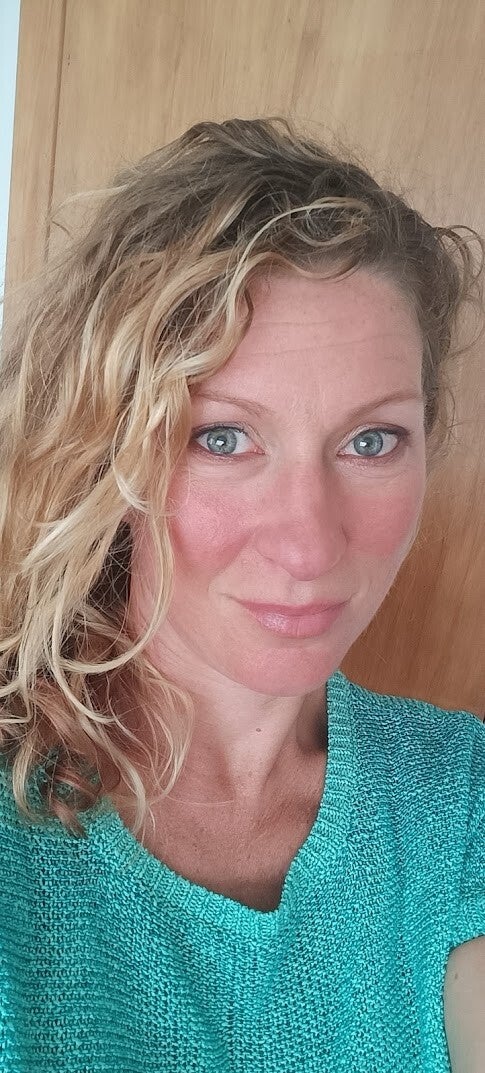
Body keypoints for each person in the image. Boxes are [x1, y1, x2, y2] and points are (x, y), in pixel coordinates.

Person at [0, 116, 484, 1072]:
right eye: (220, 437)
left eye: (372, 440)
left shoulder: (459, 793)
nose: (308, 543)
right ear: (105, 453)